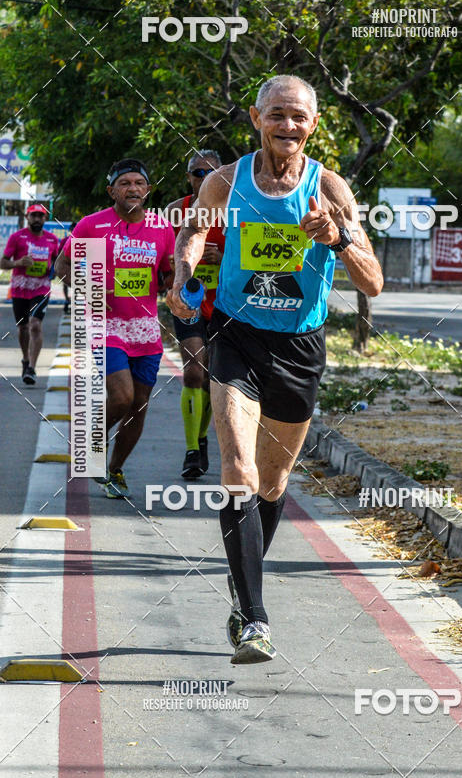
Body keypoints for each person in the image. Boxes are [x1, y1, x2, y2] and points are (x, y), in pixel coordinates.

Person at [167, 74, 383, 663]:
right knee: (235, 466)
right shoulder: (225, 181)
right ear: (258, 119)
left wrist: (336, 238)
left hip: (300, 348)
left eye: (299, 117)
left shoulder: (329, 186)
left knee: (272, 482)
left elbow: (373, 282)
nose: (288, 126)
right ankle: (256, 619)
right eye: (277, 115)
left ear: (313, 125)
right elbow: (193, 234)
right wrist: (184, 277)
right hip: (236, 336)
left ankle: (241, 595)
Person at [56, 158, 174, 498]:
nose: (133, 188)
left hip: (146, 330)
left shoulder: (161, 228)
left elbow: (167, 273)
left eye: (139, 183)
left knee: (139, 403)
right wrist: (88, 288)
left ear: (148, 189)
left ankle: (115, 469)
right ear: (112, 191)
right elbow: (64, 263)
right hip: (105, 325)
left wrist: (179, 280)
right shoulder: (94, 226)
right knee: (121, 396)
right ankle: (92, 444)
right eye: (125, 183)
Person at [165, 150, 224, 479]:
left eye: (210, 173)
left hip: (225, 303)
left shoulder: (237, 208)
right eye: (197, 173)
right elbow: (163, 258)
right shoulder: (177, 211)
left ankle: (201, 438)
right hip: (188, 302)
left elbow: (255, 259)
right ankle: (191, 451)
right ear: (188, 177)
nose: (203, 179)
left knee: (213, 375)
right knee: (193, 369)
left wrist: (224, 256)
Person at [1, 204, 61, 386]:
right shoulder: (17, 237)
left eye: (40, 216)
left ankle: (32, 368)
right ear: (27, 217)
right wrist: (18, 262)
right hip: (20, 289)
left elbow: (57, 264)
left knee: (35, 325)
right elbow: (3, 262)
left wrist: (53, 271)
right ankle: (25, 359)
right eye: (33, 216)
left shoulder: (52, 240)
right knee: (23, 328)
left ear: (45, 219)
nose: (37, 219)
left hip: (41, 289)